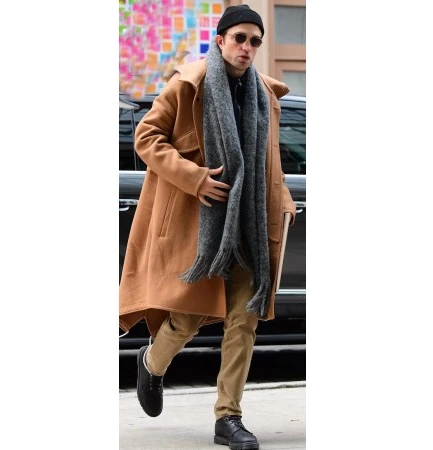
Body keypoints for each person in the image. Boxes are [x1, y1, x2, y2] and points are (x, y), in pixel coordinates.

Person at [119, 4, 296, 450]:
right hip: (202, 224)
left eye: (255, 41)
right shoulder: (189, 83)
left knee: (244, 320)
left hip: (250, 225)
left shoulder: (264, 94)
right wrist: (194, 178)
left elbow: (269, 157)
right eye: (240, 38)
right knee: (187, 317)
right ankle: (151, 363)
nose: (247, 48)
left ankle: (228, 417)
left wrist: (283, 199)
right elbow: (147, 137)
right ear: (220, 40)